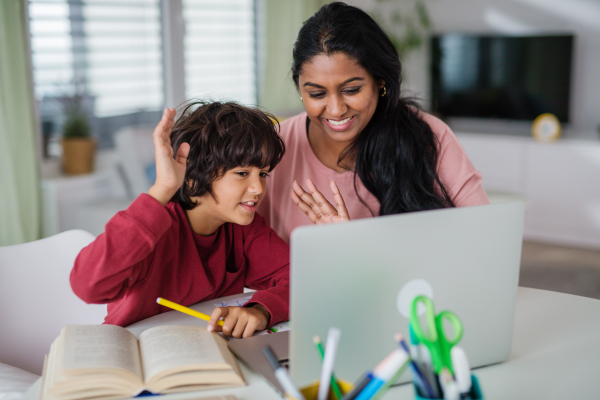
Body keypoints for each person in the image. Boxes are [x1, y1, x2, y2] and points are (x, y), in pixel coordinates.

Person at [258, 2, 489, 242]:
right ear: (300, 89)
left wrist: (353, 244)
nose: (336, 110)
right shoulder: (272, 147)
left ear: (380, 82)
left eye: (352, 90)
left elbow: (485, 237)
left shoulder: (429, 135)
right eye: (317, 94)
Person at [71, 101, 290, 338]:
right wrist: (162, 189)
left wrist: (261, 310)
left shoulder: (245, 227)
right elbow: (87, 285)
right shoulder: (153, 228)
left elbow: (301, 278)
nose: (258, 188)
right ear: (195, 176)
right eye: (242, 173)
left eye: (263, 173)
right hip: (135, 354)